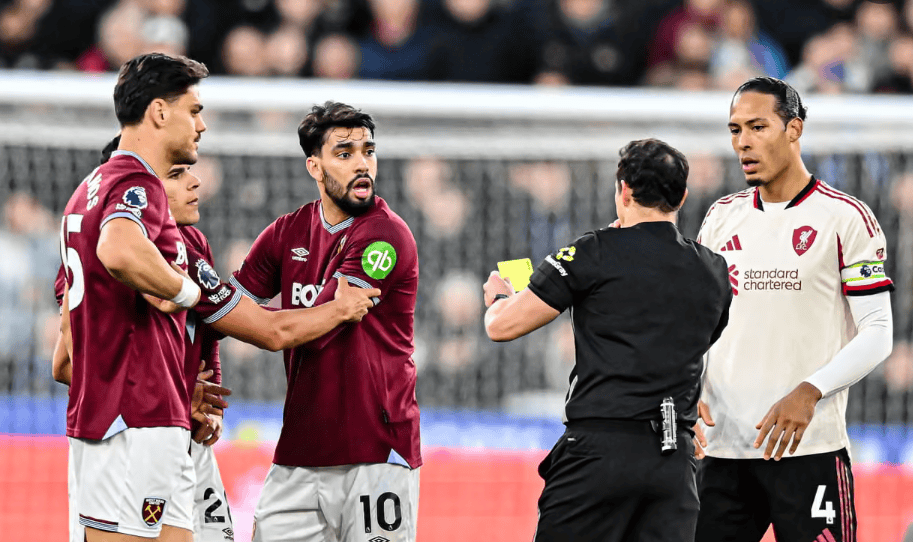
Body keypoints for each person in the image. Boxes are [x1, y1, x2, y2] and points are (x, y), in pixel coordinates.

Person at [55, 137, 382, 542]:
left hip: (179, 437)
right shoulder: (137, 259)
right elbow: (65, 365)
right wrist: (339, 309)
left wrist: (208, 406)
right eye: (176, 174)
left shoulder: (191, 243)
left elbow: (207, 334)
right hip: (129, 436)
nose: (194, 181)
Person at [482, 138, 732, 542]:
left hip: (598, 453)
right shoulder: (714, 270)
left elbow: (501, 327)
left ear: (624, 191)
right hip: (673, 459)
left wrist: (499, 299)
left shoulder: (592, 253)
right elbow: (700, 343)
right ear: (682, 197)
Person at [695, 76, 894, 542]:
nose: (743, 142)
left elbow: (878, 329)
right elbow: (699, 321)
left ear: (794, 129)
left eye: (758, 127)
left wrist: (810, 391)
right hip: (723, 451)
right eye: (735, 130)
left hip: (810, 449)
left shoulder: (845, 218)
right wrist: (690, 383)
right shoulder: (721, 217)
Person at [230, 101, 420, 542]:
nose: (362, 164)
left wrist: (236, 312)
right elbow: (227, 311)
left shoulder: (384, 235)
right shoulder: (287, 232)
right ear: (314, 167)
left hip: (375, 452)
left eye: (368, 151)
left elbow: (314, 331)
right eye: (344, 153)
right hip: (299, 453)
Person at [58, 52, 210, 542]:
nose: (201, 125)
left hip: (141, 415)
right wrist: (185, 290)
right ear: (159, 112)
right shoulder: (136, 182)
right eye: (193, 110)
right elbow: (118, 249)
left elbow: (65, 357)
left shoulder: (87, 189)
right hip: (131, 421)